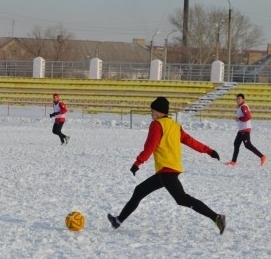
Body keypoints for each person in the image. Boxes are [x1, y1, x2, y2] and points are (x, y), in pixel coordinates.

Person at [107, 97, 226, 235]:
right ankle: (118, 221)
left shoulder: (157, 125)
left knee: (182, 199)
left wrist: (138, 162)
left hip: (166, 171)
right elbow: (191, 141)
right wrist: (209, 151)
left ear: (159, 111)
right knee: (139, 191)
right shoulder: (175, 125)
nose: (151, 113)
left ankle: (217, 217)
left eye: (153, 110)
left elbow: (150, 147)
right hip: (168, 170)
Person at [224, 93, 267, 166]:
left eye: (239, 99)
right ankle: (233, 161)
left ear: (243, 99)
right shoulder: (240, 106)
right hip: (241, 129)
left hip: (245, 129)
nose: (237, 100)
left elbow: (248, 116)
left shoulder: (243, 107)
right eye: (237, 99)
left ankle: (262, 156)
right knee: (236, 144)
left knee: (248, 145)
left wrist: (239, 118)